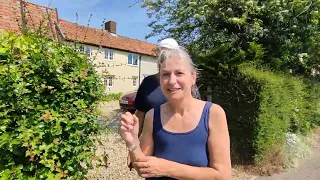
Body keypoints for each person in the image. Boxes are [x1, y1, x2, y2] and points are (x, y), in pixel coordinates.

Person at [120, 47, 231, 179]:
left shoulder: (213, 114)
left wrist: (166, 168)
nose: (172, 81)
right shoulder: (152, 116)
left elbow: (222, 176)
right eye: (165, 74)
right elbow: (142, 168)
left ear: (193, 77)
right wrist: (132, 142)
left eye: (179, 73)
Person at [127, 38, 201, 169]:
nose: (172, 82)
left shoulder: (188, 86)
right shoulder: (148, 83)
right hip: (152, 144)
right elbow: (140, 113)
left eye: (167, 52)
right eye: (160, 53)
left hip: (181, 143)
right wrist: (133, 147)